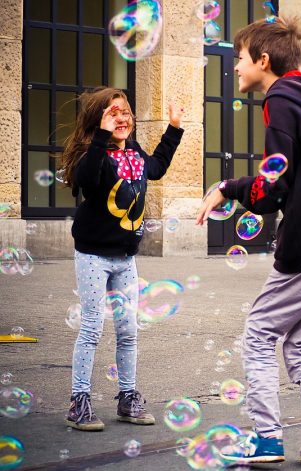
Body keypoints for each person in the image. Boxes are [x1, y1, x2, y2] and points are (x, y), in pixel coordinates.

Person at [196, 16, 301, 471]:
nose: (234, 68)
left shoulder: (282, 101)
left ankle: (266, 439)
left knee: (259, 334)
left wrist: (230, 187)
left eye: (239, 58)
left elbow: (272, 189)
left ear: (263, 60)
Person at [59, 87, 184, 431]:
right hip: (93, 256)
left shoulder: (133, 152)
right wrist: (101, 136)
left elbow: (155, 169)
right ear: (98, 120)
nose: (122, 117)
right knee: (92, 328)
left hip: (126, 258)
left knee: (129, 330)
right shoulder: (92, 154)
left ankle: (128, 398)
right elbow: (88, 180)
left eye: (126, 112)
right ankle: (79, 402)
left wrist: (173, 128)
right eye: (112, 112)